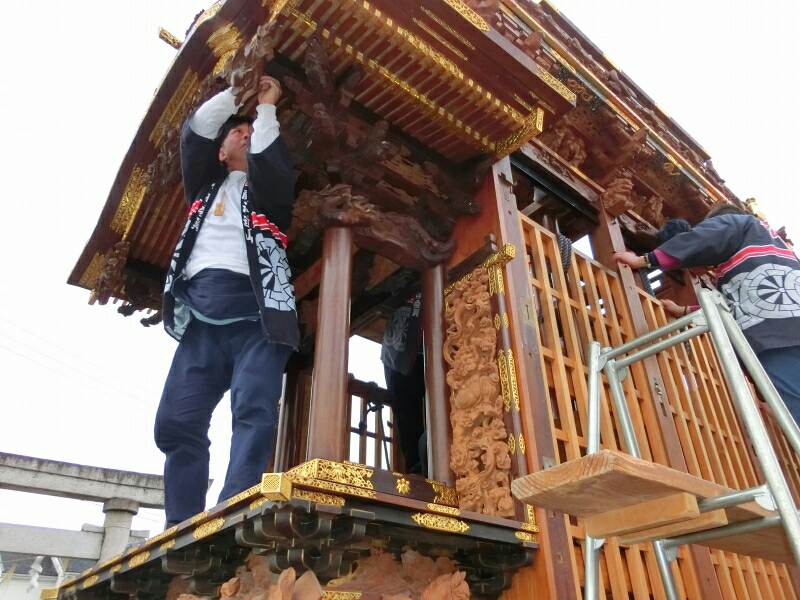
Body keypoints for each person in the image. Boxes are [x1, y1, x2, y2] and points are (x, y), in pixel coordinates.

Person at [155, 76, 298, 527]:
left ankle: (234, 506)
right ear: (220, 153)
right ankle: (180, 522)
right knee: (176, 421)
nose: (245, 132)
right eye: (236, 130)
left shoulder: (270, 193)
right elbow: (196, 132)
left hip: (259, 313)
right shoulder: (203, 188)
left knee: (254, 406)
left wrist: (267, 106)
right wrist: (239, 90)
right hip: (201, 315)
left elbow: (271, 159)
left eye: (251, 130)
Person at [613, 203, 800, 425]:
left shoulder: (738, 222)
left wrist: (646, 260)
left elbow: (703, 239)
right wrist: (683, 311)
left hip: (773, 335)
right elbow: (730, 306)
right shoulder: (777, 255)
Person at [381, 292, 427, 475]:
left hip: (417, 344)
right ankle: (417, 467)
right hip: (397, 349)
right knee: (406, 412)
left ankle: (424, 463)